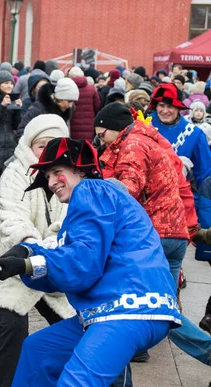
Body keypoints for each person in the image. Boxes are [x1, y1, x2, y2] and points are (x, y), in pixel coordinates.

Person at [0, 137, 182, 387]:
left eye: (57, 172)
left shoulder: (91, 191)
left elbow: (82, 264)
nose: (50, 183)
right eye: (47, 177)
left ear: (79, 170)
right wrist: (27, 250)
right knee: (39, 350)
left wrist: (28, 263)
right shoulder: (96, 201)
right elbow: (73, 254)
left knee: (76, 382)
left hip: (127, 310)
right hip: (113, 310)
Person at [97, 103, 211, 366]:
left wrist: (98, 195)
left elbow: (130, 186)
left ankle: (206, 350)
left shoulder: (133, 144)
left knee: (160, 309)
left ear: (115, 127)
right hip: (175, 235)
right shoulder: (149, 138)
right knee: (166, 306)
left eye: (102, 133)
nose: (99, 138)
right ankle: (137, 348)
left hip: (154, 235)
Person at [0, 115, 74, 387]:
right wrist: (30, 245)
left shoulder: (68, 177)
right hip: (7, 261)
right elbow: (11, 216)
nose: (48, 152)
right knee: (13, 326)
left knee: (73, 324)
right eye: (42, 146)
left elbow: (67, 223)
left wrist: (48, 252)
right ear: (30, 145)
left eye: (54, 145)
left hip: (47, 264)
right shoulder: (15, 173)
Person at [150, 83, 211, 193]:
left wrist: (197, 203)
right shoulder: (144, 126)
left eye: (170, 106)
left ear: (178, 108)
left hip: (180, 197)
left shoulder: (194, 134)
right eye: (161, 105)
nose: (165, 111)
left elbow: (204, 175)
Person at [67, 66, 100, 141]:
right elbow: (97, 106)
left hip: (73, 125)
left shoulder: (69, 89)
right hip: (89, 124)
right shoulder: (92, 88)